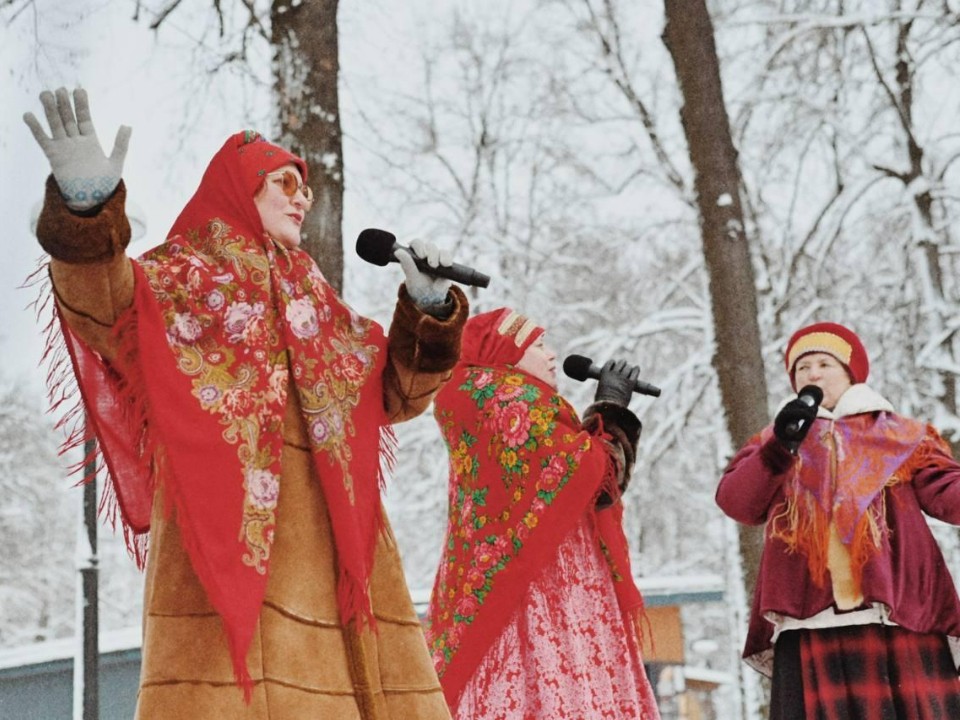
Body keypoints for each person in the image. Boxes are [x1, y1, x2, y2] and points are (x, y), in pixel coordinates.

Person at [23, 87, 469, 719]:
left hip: (335, 580)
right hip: (226, 577)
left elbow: (392, 393)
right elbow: (106, 307)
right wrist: (86, 215)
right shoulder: (182, 274)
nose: (303, 198)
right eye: (284, 182)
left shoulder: (312, 296)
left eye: (306, 187)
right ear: (240, 187)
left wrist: (428, 310)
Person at [424, 307, 662, 719]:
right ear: (504, 353)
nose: (551, 355)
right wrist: (611, 409)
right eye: (536, 345)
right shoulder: (510, 401)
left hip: (499, 580)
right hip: (541, 583)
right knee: (559, 687)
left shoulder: (481, 400)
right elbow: (590, 474)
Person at [717, 321, 960, 719]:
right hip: (809, 621)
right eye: (802, 367)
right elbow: (737, 502)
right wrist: (779, 447)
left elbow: (947, 491)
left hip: (894, 615)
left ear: (850, 373)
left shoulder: (902, 436)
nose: (812, 374)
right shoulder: (775, 441)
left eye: (824, 364)